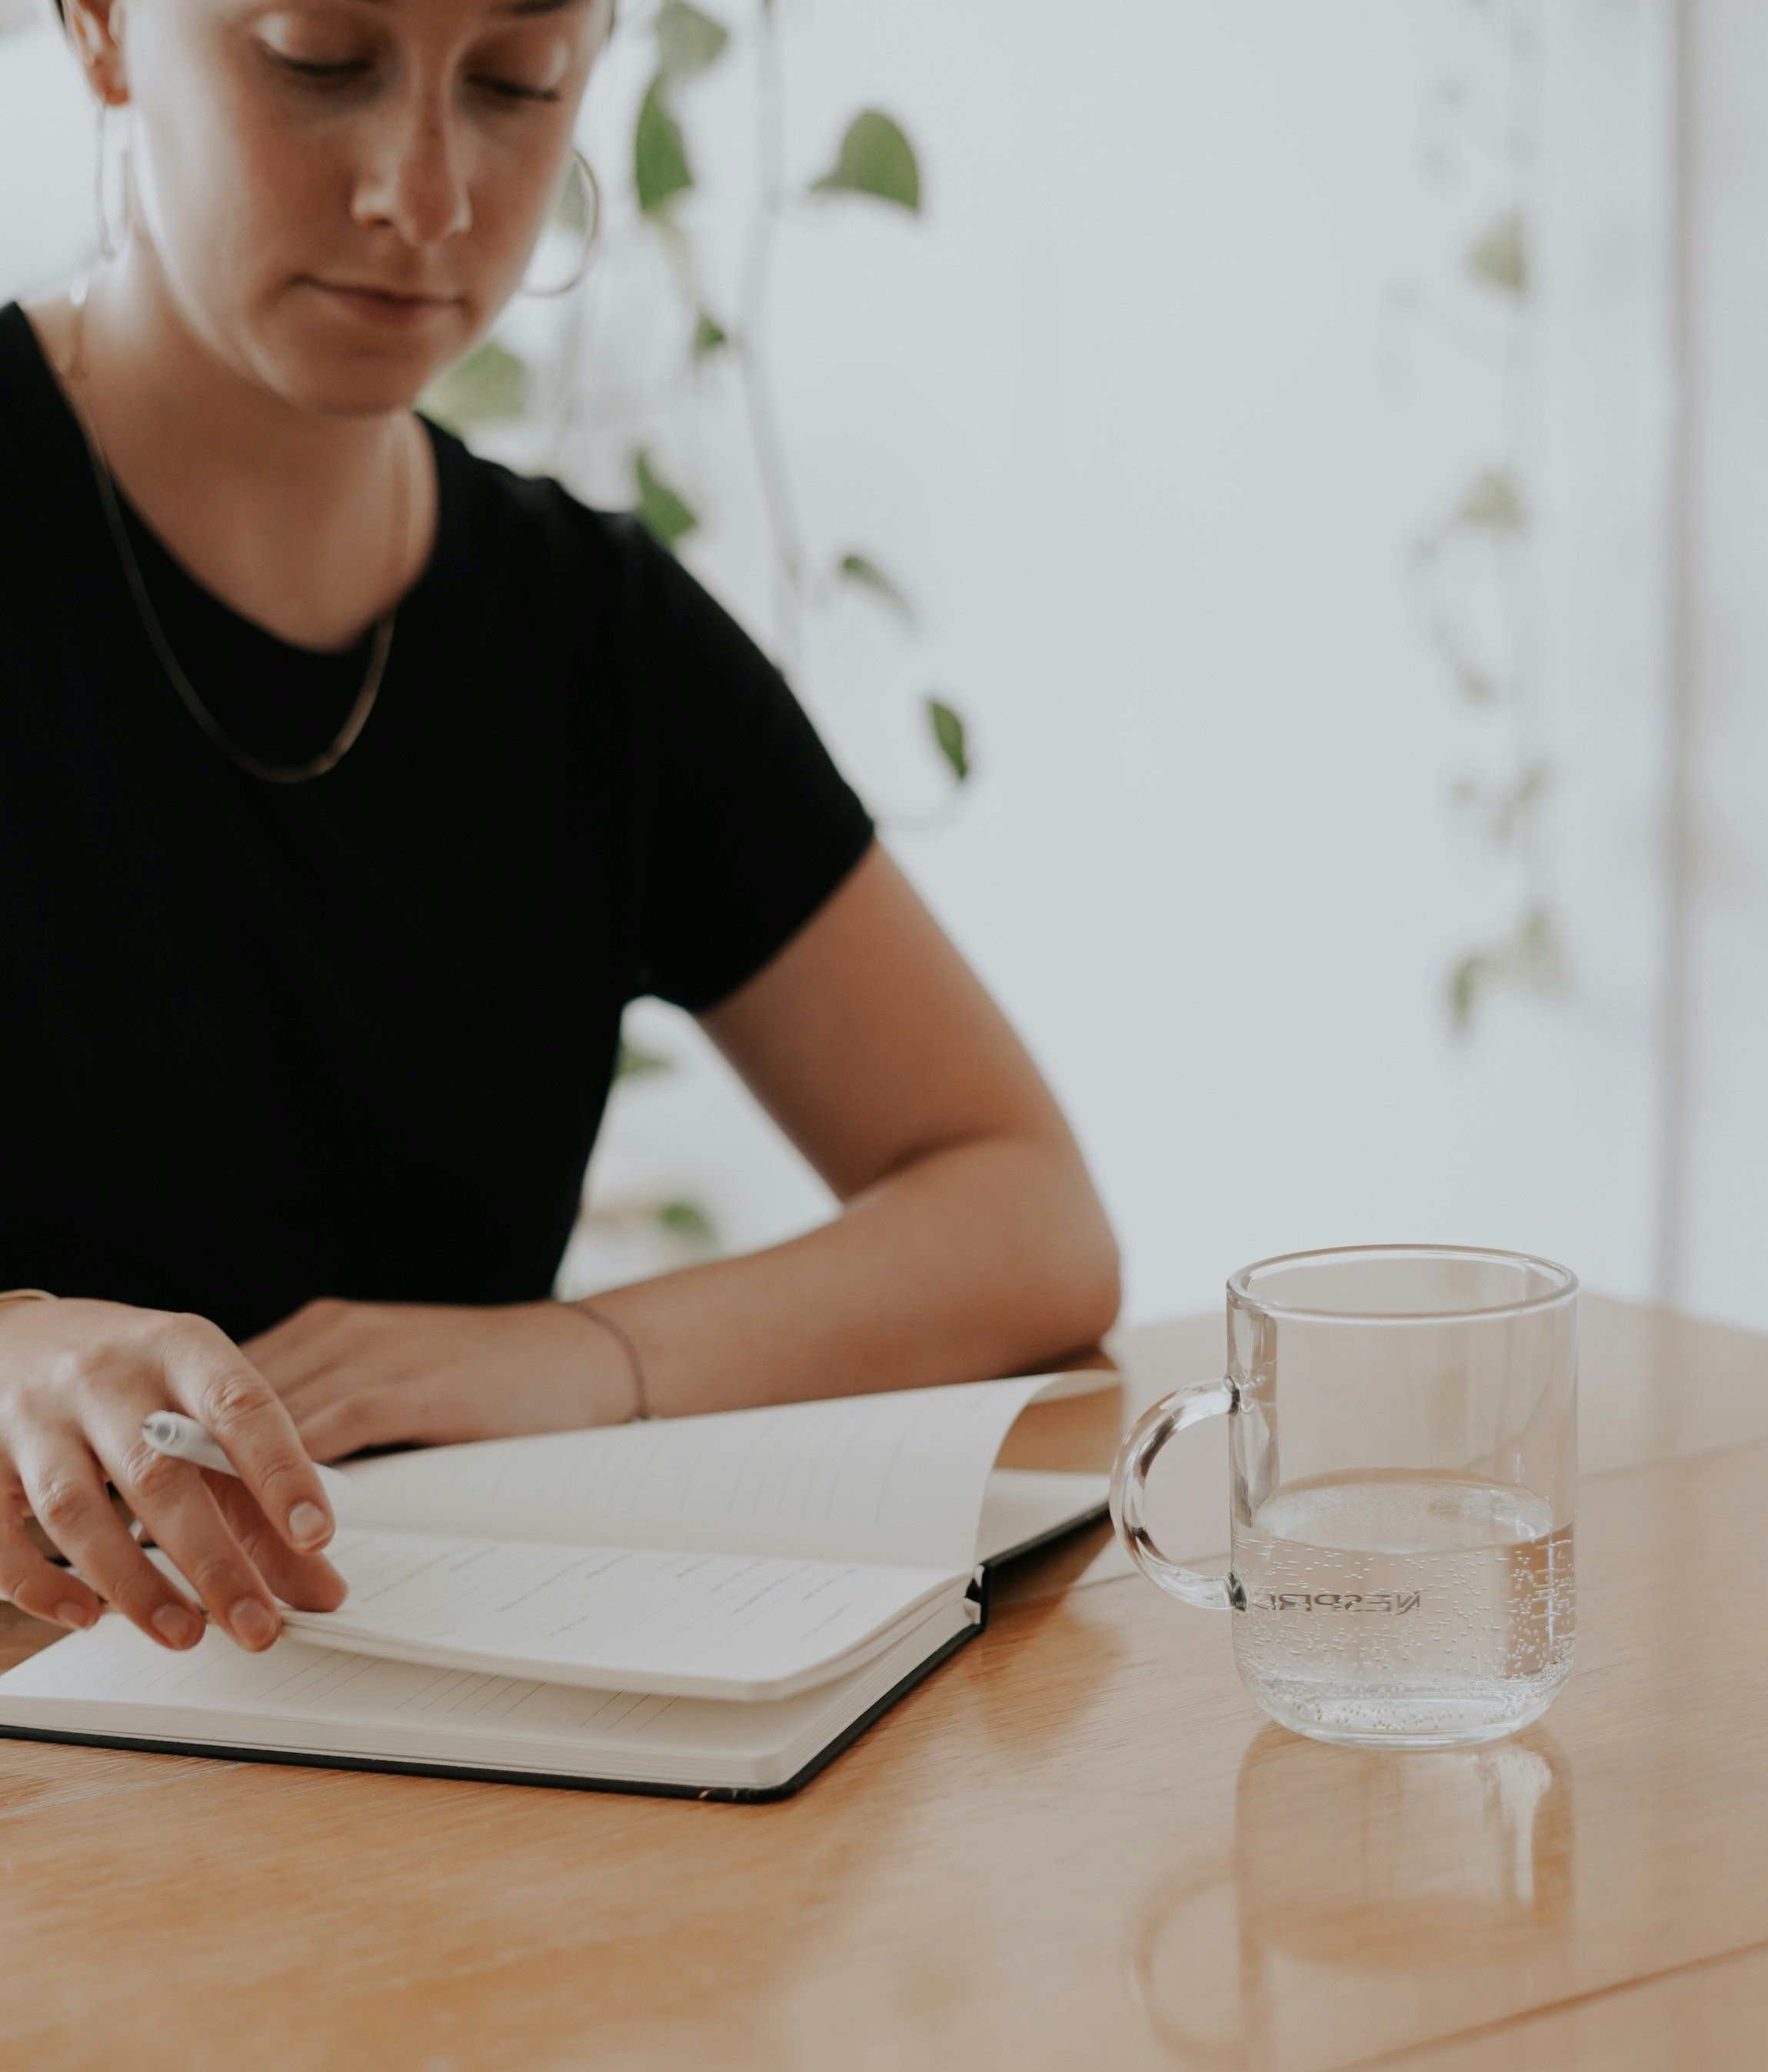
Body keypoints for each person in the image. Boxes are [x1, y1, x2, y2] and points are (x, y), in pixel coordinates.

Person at [0, 0, 1120, 1666]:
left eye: (517, 85)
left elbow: (1024, 1215)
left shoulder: (595, 646)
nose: (428, 193)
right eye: (319, 60)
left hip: (420, 1753)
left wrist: (575, 1355)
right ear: (98, 30)